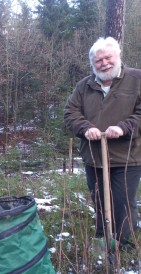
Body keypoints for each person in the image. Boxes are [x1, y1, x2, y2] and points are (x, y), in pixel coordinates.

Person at [64, 37, 141, 250]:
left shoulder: (136, 79)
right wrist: (85, 128)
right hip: (94, 157)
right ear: (92, 64)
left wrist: (125, 127)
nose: (104, 63)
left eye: (108, 57)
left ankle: (125, 245)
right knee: (98, 199)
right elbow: (70, 113)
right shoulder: (84, 86)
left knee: (122, 202)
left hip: (127, 157)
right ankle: (103, 238)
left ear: (118, 56)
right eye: (98, 60)